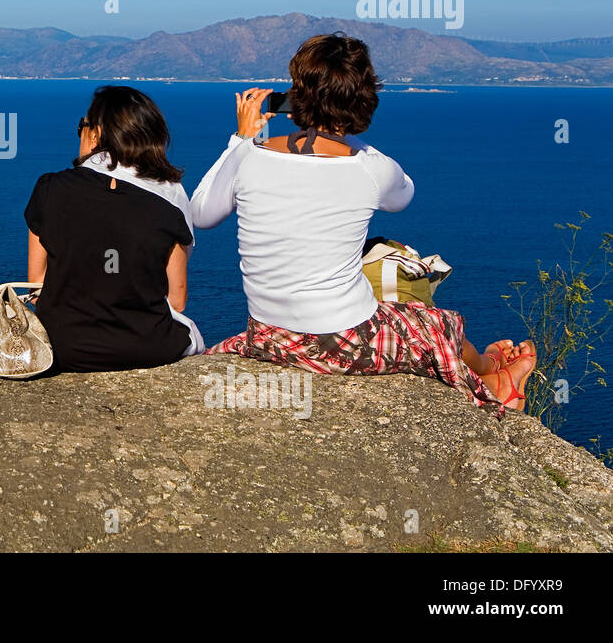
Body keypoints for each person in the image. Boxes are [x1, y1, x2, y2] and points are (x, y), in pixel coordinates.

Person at [189, 32, 535, 412]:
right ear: (364, 100)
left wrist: (241, 139)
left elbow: (202, 215)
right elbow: (404, 196)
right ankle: (494, 376)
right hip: (342, 341)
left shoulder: (249, 156)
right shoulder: (372, 167)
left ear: (295, 96)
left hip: (266, 337)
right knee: (438, 323)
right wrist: (355, 143)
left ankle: (491, 370)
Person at [24, 85, 204, 372]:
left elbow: (37, 284)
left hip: (63, 348)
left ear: (95, 135)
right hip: (147, 347)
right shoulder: (171, 195)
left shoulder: (50, 189)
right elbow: (177, 299)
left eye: (82, 126)